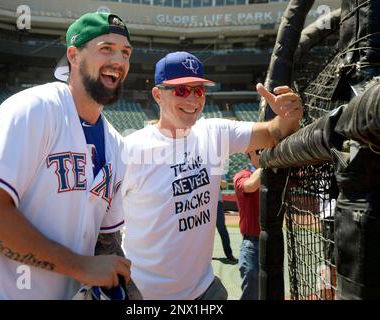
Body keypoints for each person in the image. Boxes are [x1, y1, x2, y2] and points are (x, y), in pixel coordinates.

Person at [0, 12, 138, 300]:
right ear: (73, 55)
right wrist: (81, 266)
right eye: (106, 49)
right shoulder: (34, 109)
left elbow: (104, 240)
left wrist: (130, 292)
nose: (119, 61)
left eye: (125, 52)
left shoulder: (117, 145)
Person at [113, 51, 303, 299]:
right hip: (145, 294)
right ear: (158, 95)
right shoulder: (130, 150)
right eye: (181, 90)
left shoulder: (214, 132)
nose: (193, 99)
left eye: (199, 91)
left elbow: (273, 132)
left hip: (204, 291)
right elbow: (101, 225)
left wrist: (288, 117)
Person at [233, 150, 261, 300]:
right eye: (260, 151)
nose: (263, 154)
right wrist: (270, 162)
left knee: (272, 288)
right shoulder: (242, 175)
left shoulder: (276, 173)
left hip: (272, 242)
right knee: (251, 290)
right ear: (251, 153)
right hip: (251, 243)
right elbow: (251, 185)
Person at [216, 175, 237, 263]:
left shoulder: (216, 169)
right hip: (204, 204)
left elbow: (224, 184)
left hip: (217, 203)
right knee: (203, 232)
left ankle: (229, 254)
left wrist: (215, 178)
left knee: (222, 229)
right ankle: (203, 257)